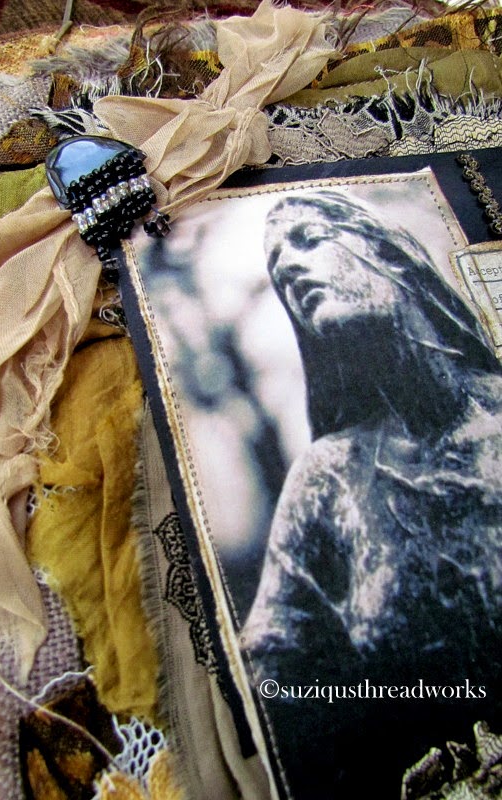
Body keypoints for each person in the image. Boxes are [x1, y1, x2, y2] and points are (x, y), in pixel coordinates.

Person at [241, 191, 502, 799]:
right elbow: (274, 678)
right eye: (278, 270)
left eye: (309, 240)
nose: (291, 268)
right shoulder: (327, 477)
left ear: (391, 256)